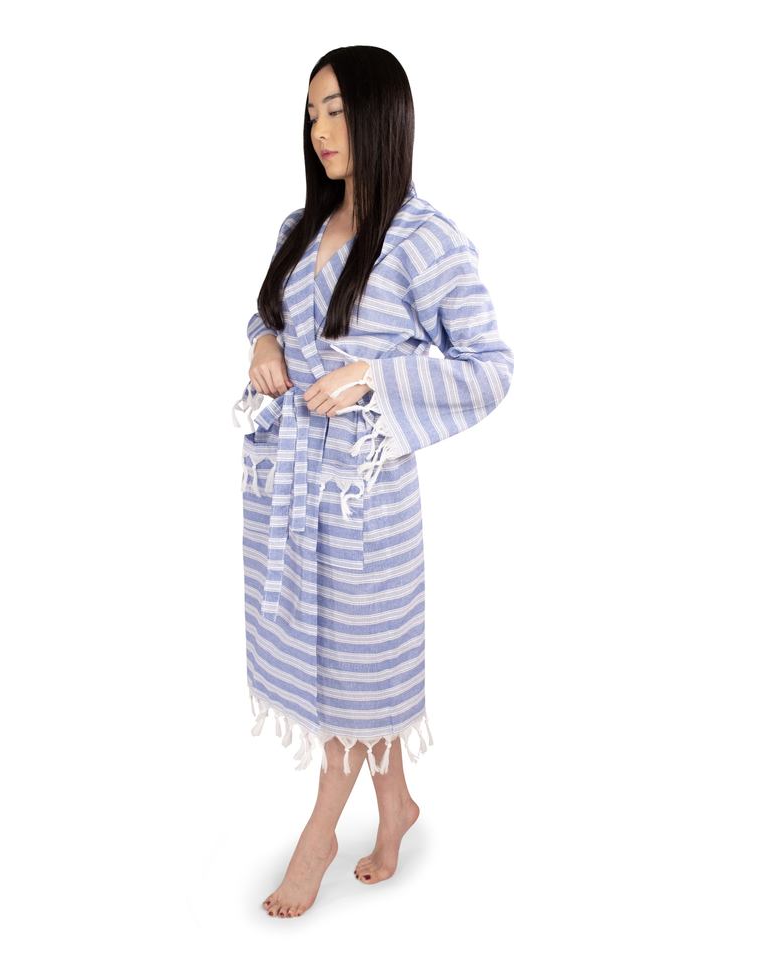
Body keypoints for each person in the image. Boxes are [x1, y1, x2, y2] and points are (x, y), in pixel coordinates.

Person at [231, 46, 515, 919]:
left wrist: (373, 378)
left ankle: (319, 834)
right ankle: (396, 808)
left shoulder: (424, 240)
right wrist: (263, 342)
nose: (321, 129)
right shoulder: (300, 228)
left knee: (360, 670)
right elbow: (269, 313)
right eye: (313, 111)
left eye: (340, 110)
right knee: (330, 664)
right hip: (283, 492)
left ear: (384, 116)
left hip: (364, 508)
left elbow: (490, 365)